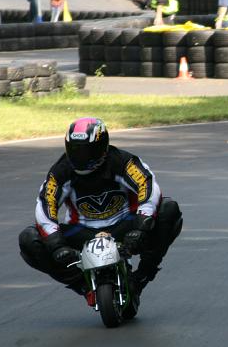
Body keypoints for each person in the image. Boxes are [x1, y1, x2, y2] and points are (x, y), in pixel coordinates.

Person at [18, 118, 183, 304]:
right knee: (29, 238)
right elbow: (45, 205)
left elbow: (148, 186)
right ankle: (83, 286)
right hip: (82, 231)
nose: (80, 157)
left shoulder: (123, 161)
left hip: (125, 225)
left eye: (87, 151)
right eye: (74, 150)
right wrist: (56, 244)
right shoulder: (59, 172)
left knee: (168, 209)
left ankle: (142, 275)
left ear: (103, 147)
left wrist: (141, 226)